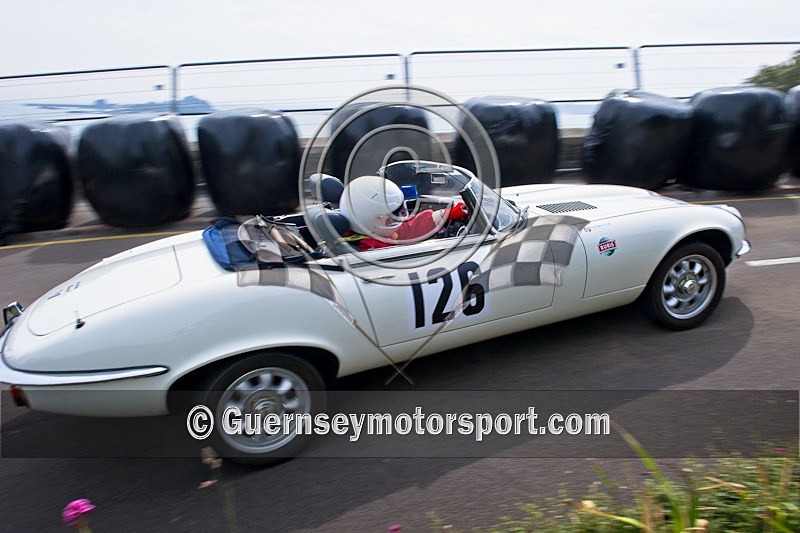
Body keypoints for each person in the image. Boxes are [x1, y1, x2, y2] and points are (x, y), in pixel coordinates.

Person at [339, 175, 468, 251]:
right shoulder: (372, 250)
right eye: (393, 216)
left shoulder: (371, 234)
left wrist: (447, 213)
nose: (399, 218)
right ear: (376, 219)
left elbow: (410, 228)